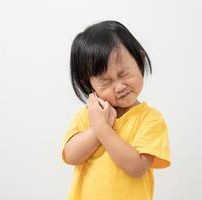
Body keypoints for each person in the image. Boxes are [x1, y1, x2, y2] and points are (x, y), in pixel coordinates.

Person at [61, 20, 171, 200]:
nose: (119, 86)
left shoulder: (150, 119)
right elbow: (71, 156)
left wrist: (102, 128)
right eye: (106, 82)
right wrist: (96, 126)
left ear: (140, 59)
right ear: (87, 83)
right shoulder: (88, 115)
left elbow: (137, 167)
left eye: (124, 74)